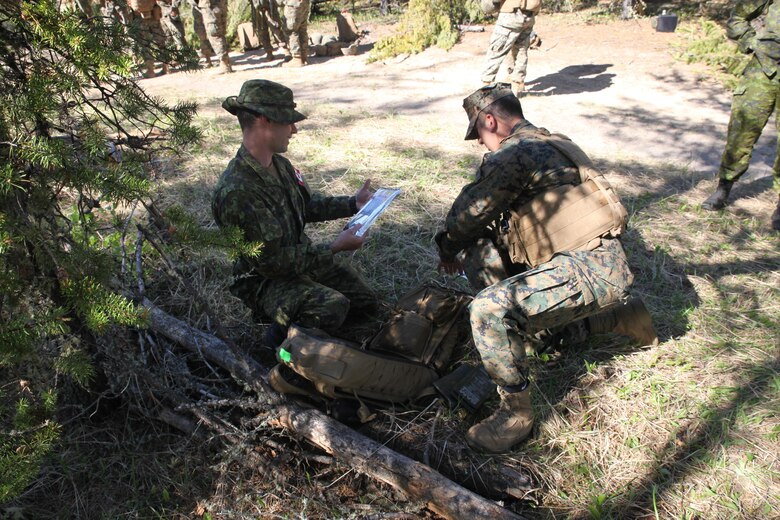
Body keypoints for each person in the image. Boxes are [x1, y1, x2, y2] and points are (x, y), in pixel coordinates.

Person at [435, 83, 658, 453]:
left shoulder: (515, 155)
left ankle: (515, 416)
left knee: (489, 310)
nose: (479, 143)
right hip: (593, 264)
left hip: (587, 271)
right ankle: (620, 318)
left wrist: (446, 248)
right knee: (485, 258)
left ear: (490, 120)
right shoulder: (554, 141)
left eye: (479, 133)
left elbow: (464, 217)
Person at [212, 80, 376, 348]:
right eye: (288, 122)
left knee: (364, 303)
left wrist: (352, 204)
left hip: (299, 263)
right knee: (331, 307)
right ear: (265, 121)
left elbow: (305, 206)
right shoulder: (238, 191)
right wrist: (334, 247)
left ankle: (304, 324)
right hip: (264, 281)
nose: (295, 129)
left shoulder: (280, 165)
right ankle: (276, 348)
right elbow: (271, 264)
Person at [702, 0, 780, 231]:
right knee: (741, 132)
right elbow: (737, 18)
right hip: (762, 72)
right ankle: (724, 187)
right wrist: (752, 42)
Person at [479, 0, 541, 96]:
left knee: (496, 51)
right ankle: (517, 86)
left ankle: (486, 89)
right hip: (529, 15)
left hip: (510, 16)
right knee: (521, 51)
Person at [283, 0, 311, 67]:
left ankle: (297, 58)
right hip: (304, 3)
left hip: (293, 4)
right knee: (302, 29)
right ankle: (303, 56)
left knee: (291, 30)